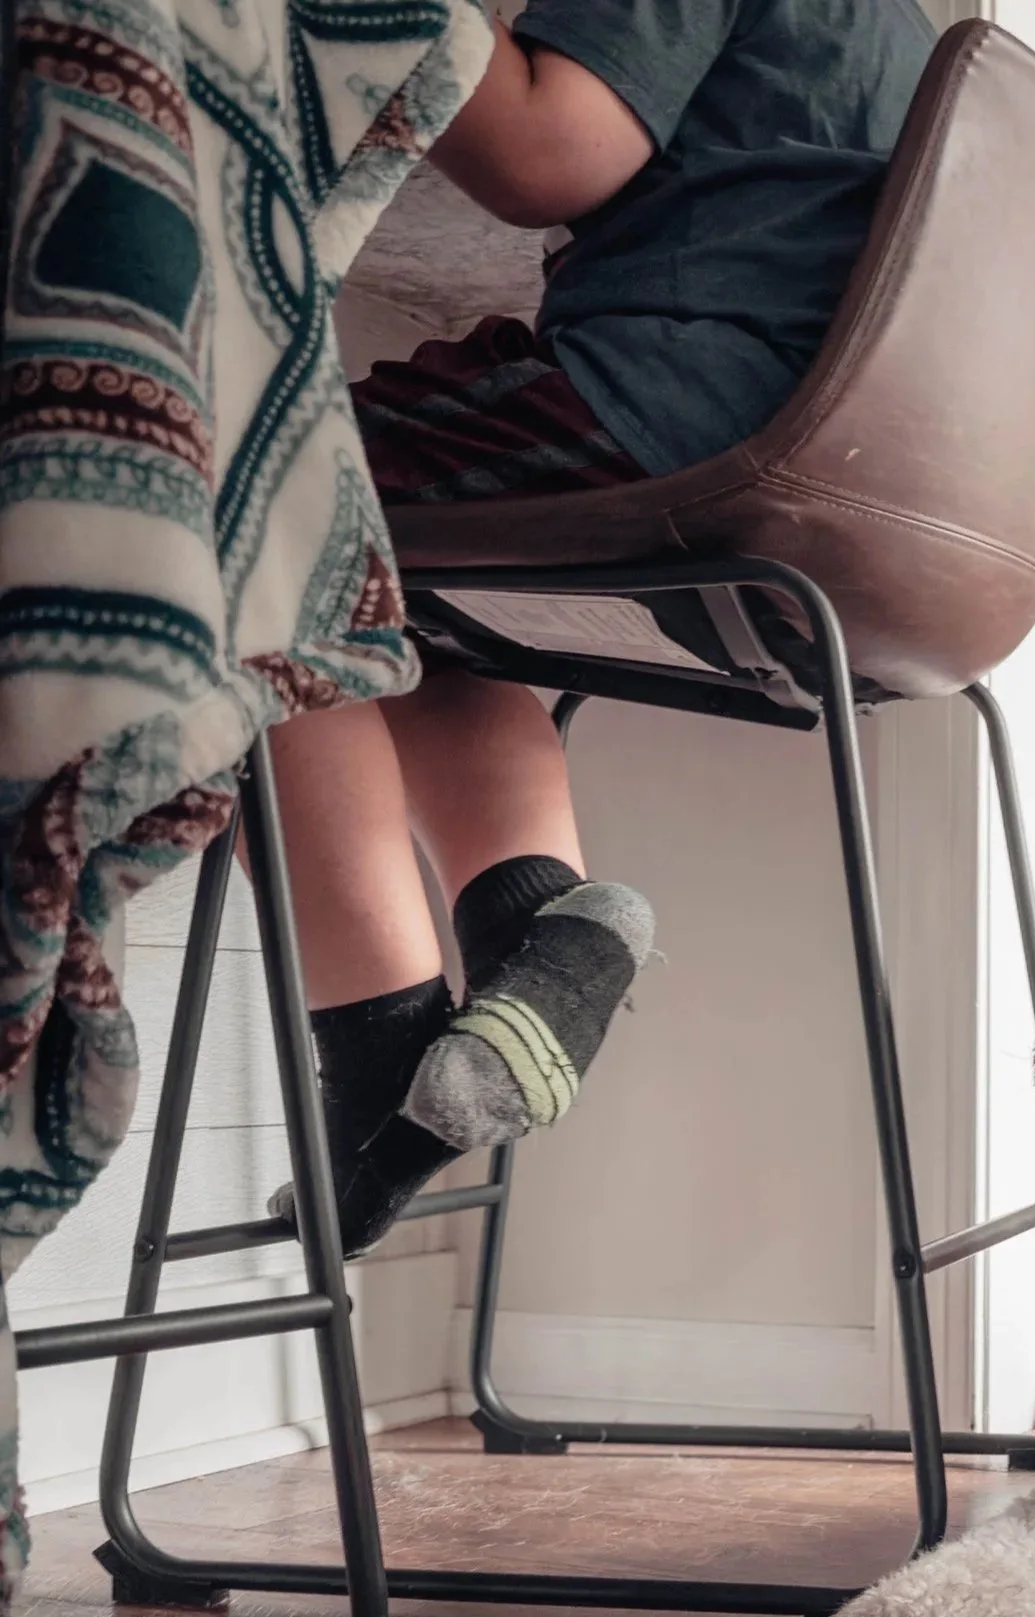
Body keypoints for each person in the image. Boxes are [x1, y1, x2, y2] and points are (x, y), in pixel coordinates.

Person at [274, 0, 936, 1252]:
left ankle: (377, 1057)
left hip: (677, 407)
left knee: (241, 503)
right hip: (877, 500)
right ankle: (541, 932)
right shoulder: (898, 35)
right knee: (402, 595)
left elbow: (544, 152)